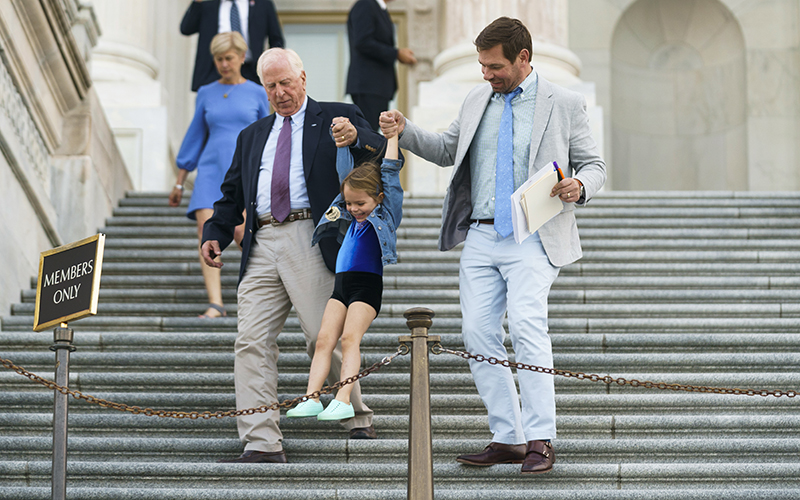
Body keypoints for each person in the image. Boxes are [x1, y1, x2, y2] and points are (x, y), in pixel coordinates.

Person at [379, 17, 606, 475]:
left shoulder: (563, 102)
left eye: (494, 66)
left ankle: (541, 438)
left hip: (533, 234)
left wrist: (579, 185)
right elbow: (447, 150)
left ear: (524, 57)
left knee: (526, 326)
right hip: (480, 234)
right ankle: (508, 437)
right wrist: (405, 128)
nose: (486, 73)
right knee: (478, 333)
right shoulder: (475, 97)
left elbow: (594, 164)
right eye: (482, 65)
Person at [201, 47, 387, 464]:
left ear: (303, 78)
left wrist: (358, 138)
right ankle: (261, 440)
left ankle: (355, 412)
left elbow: (383, 158)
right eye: (271, 86)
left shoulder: (338, 115)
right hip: (262, 240)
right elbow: (232, 195)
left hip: (312, 234)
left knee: (322, 337)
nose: (280, 92)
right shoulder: (252, 136)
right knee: (251, 341)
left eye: (286, 82)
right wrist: (215, 231)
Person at [287, 115, 403, 421]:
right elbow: (344, 172)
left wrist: (392, 137)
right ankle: (312, 397)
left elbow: (390, 173)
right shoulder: (350, 213)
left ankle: (343, 398)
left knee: (350, 339)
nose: (352, 209)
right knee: (324, 340)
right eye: (349, 203)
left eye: (360, 204)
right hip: (342, 285)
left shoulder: (386, 214)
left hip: (366, 286)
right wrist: (343, 143)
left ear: (378, 199)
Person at [169, 31, 269, 319]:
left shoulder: (257, 92)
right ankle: (216, 303)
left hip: (245, 171)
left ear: (241, 57)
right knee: (206, 232)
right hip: (211, 170)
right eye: (218, 59)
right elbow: (195, 136)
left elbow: (268, 133)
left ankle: (261, 296)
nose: (224, 64)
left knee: (242, 232)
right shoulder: (206, 92)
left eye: (228, 58)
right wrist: (179, 180)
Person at [180, 0, 284, 92]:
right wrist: (197, 2)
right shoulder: (209, 5)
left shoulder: (262, 5)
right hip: (215, 71)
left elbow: (276, 40)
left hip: (251, 71)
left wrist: (269, 66)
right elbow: (186, 28)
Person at [345, 0, 416, 131]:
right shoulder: (365, 5)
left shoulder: (379, 9)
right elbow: (363, 42)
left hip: (377, 87)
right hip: (368, 85)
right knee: (367, 136)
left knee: (372, 135)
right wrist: (397, 53)